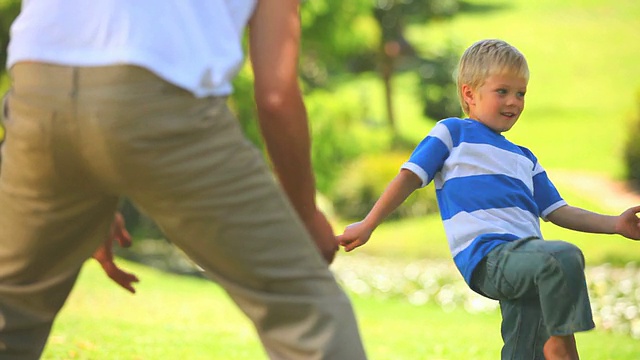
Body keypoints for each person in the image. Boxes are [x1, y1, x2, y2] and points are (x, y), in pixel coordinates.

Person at [0, 1, 367, 359]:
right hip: (161, 99)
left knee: (11, 310)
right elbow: (275, 95)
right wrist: (304, 215)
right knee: (308, 313)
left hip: (36, 93)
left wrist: (89, 182)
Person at [337, 39, 640, 360]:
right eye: (503, 92)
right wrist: (368, 224)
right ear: (469, 94)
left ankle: (546, 346)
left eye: (521, 93)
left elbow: (559, 211)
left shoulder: (524, 158)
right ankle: (562, 345)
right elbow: (408, 178)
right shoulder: (452, 133)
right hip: (489, 257)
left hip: (529, 265)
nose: (514, 101)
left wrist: (615, 224)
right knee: (562, 258)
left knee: (524, 350)